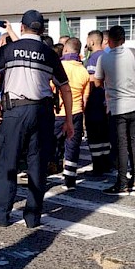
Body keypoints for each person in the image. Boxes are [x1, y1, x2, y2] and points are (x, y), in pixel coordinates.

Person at [0, 9, 73, 228]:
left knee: (7, 163)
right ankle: (32, 217)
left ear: (22, 27)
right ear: (41, 30)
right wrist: (69, 120)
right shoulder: (49, 53)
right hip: (42, 112)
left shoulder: (8, 50)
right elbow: (65, 88)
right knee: (37, 165)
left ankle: (1, 215)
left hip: (14, 111)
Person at [93, 25, 135, 195]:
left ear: (109, 40)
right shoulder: (134, 53)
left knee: (121, 145)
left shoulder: (104, 59)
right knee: (133, 142)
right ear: (124, 39)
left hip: (117, 107)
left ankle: (122, 183)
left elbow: (97, 82)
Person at [54, 38, 90, 188]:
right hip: (76, 112)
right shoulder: (84, 71)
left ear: (66, 50)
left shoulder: (59, 66)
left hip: (58, 112)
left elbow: (52, 89)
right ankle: (69, 181)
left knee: (50, 144)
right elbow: (85, 97)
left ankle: (44, 172)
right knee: (72, 147)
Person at [83, 30, 112, 175]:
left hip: (95, 101)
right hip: (107, 102)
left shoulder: (93, 58)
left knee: (94, 136)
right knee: (104, 135)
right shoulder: (107, 56)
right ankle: (106, 163)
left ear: (92, 41)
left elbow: (92, 80)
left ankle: (98, 167)